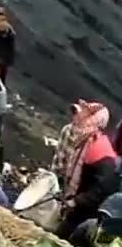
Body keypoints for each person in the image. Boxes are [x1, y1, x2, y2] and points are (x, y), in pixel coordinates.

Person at [51, 100, 120, 240]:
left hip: (92, 211)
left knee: (62, 237)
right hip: (83, 206)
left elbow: (104, 187)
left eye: (86, 117)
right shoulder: (86, 143)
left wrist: (77, 201)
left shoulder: (100, 149)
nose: (80, 120)